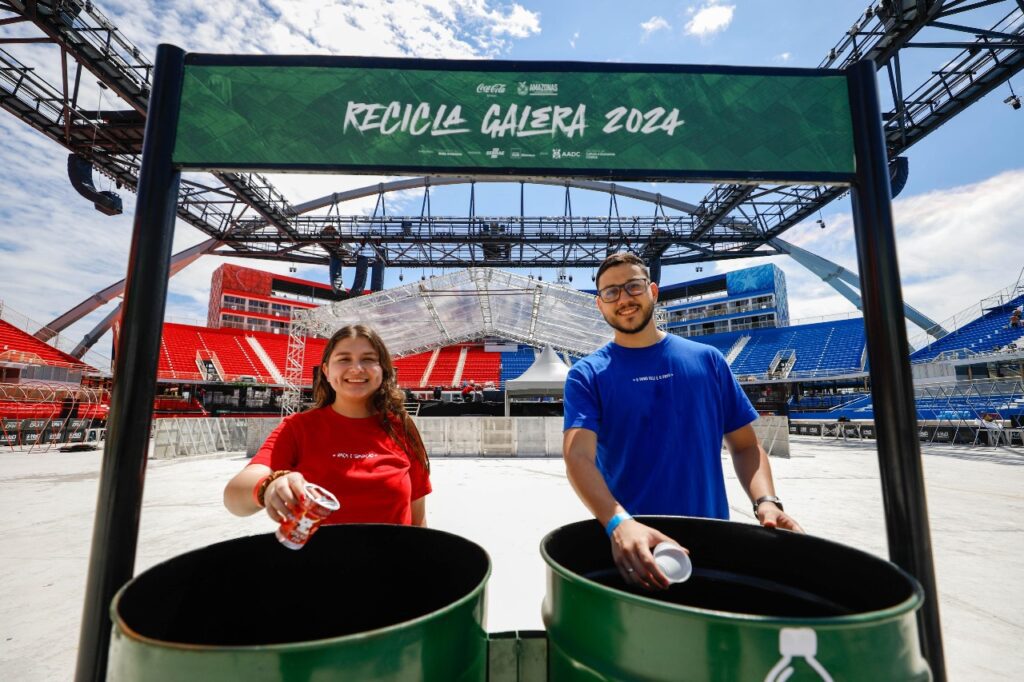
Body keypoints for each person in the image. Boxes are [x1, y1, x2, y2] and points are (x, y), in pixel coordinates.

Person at [562, 252, 803, 591]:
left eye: (633, 286)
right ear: (600, 305)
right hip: (635, 545)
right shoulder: (587, 374)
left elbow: (746, 446)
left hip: (711, 538)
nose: (624, 298)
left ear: (653, 292)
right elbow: (577, 457)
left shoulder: (708, 361)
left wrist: (766, 501)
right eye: (611, 292)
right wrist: (618, 523)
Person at [224, 324, 431, 527]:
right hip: (316, 561)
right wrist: (268, 486)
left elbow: (418, 517)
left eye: (368, 359)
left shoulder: (401, 428)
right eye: (344, 359)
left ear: (383, 370)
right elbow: (234, 498)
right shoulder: (298, 427)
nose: (356, 368)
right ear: (326, 371)